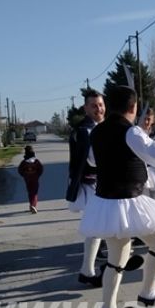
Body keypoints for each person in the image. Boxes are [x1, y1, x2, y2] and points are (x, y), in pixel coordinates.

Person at [79, 85, 155, 308]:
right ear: (133, 107)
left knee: (117, 259)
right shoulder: (132, 132)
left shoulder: (96, 132)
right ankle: (148, 292)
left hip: (106, 203)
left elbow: (93, 161)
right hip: (129, 200)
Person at [66, 90, 107, 287]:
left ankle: (88, 270)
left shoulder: (99, 127)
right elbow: (93, 159)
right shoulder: (84, 131)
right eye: (94, 105)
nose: (99, 108)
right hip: (91, 185)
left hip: (98, 184)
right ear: (86, 108)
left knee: (98, 226)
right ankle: (88, 270)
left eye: (100, 104)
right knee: (96, 226)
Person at [18, 145, 44, 213]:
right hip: (35, 178)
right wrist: (37, 175)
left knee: (30, 192)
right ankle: (33, 205)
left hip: (27, 179)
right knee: (34, 193)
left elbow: (20, 170)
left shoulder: (24, 162)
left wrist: (24, 175)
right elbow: (41, 169)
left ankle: (31, 205)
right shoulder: (36, 161)